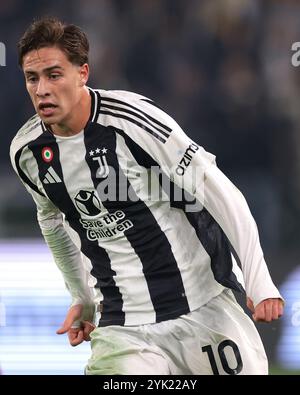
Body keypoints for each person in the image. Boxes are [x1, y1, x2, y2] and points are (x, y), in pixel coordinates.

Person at [10, 17, 284, 375]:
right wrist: (82, 297)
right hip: (123, 326)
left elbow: (216, 188)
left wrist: (259, 280)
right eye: (33, 78)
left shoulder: (133, 120)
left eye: (54, 74)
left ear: (83, 73)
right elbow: (52, 221)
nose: (42, 89)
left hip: (201, 305)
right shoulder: (28, 152)